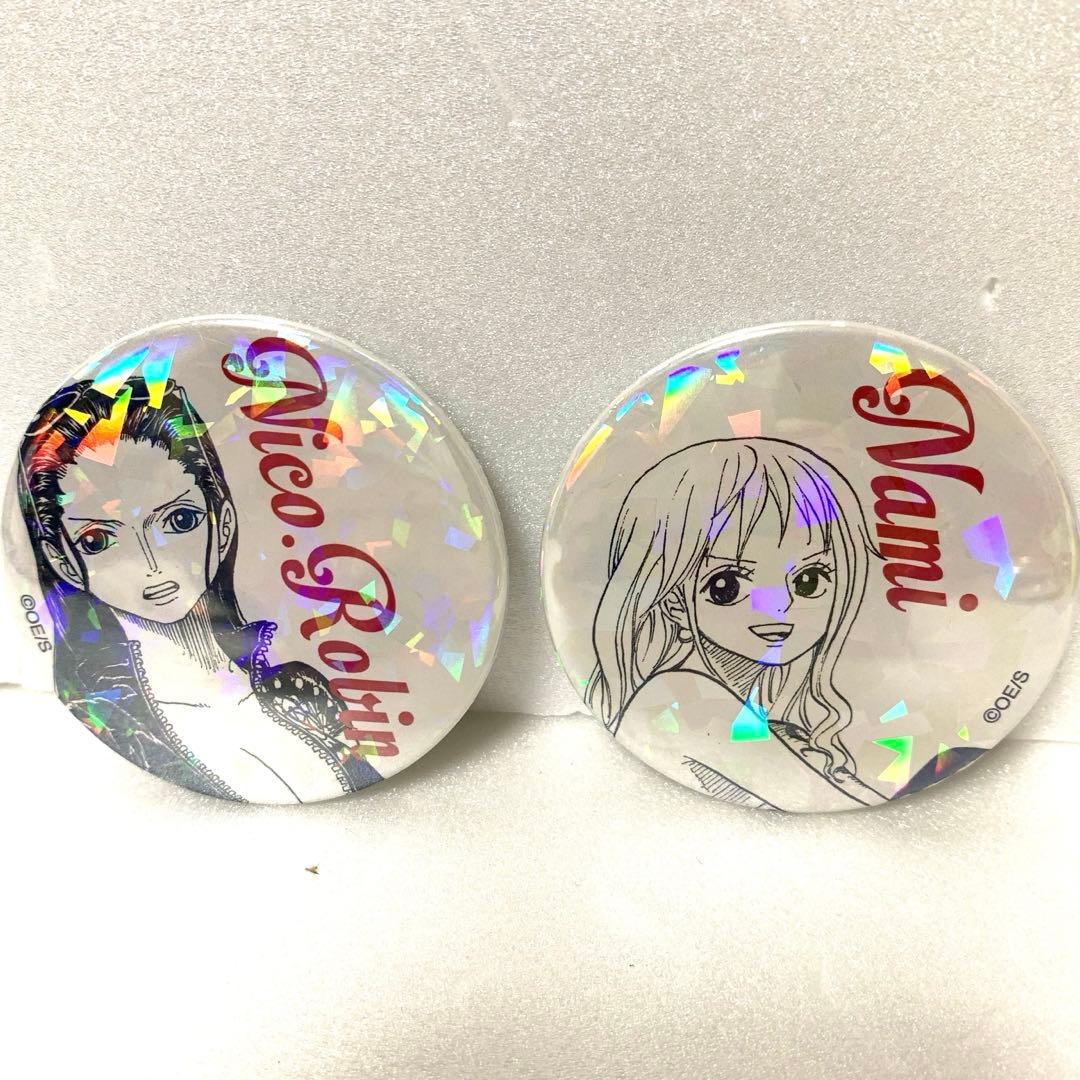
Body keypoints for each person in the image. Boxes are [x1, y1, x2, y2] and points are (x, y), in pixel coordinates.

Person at [18, 374, 381, 803]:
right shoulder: (113, 716)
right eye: (98, 540)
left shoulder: (296, 687)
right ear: (63, 561)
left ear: (222, 525)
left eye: (180, 520)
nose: (153, 564)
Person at [587, 437, 886, 810]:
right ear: (673, 598)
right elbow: (829, 797)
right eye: (726, 585)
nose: (778, 604)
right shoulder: (680, 696)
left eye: (809, 580)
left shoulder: (760, 709)